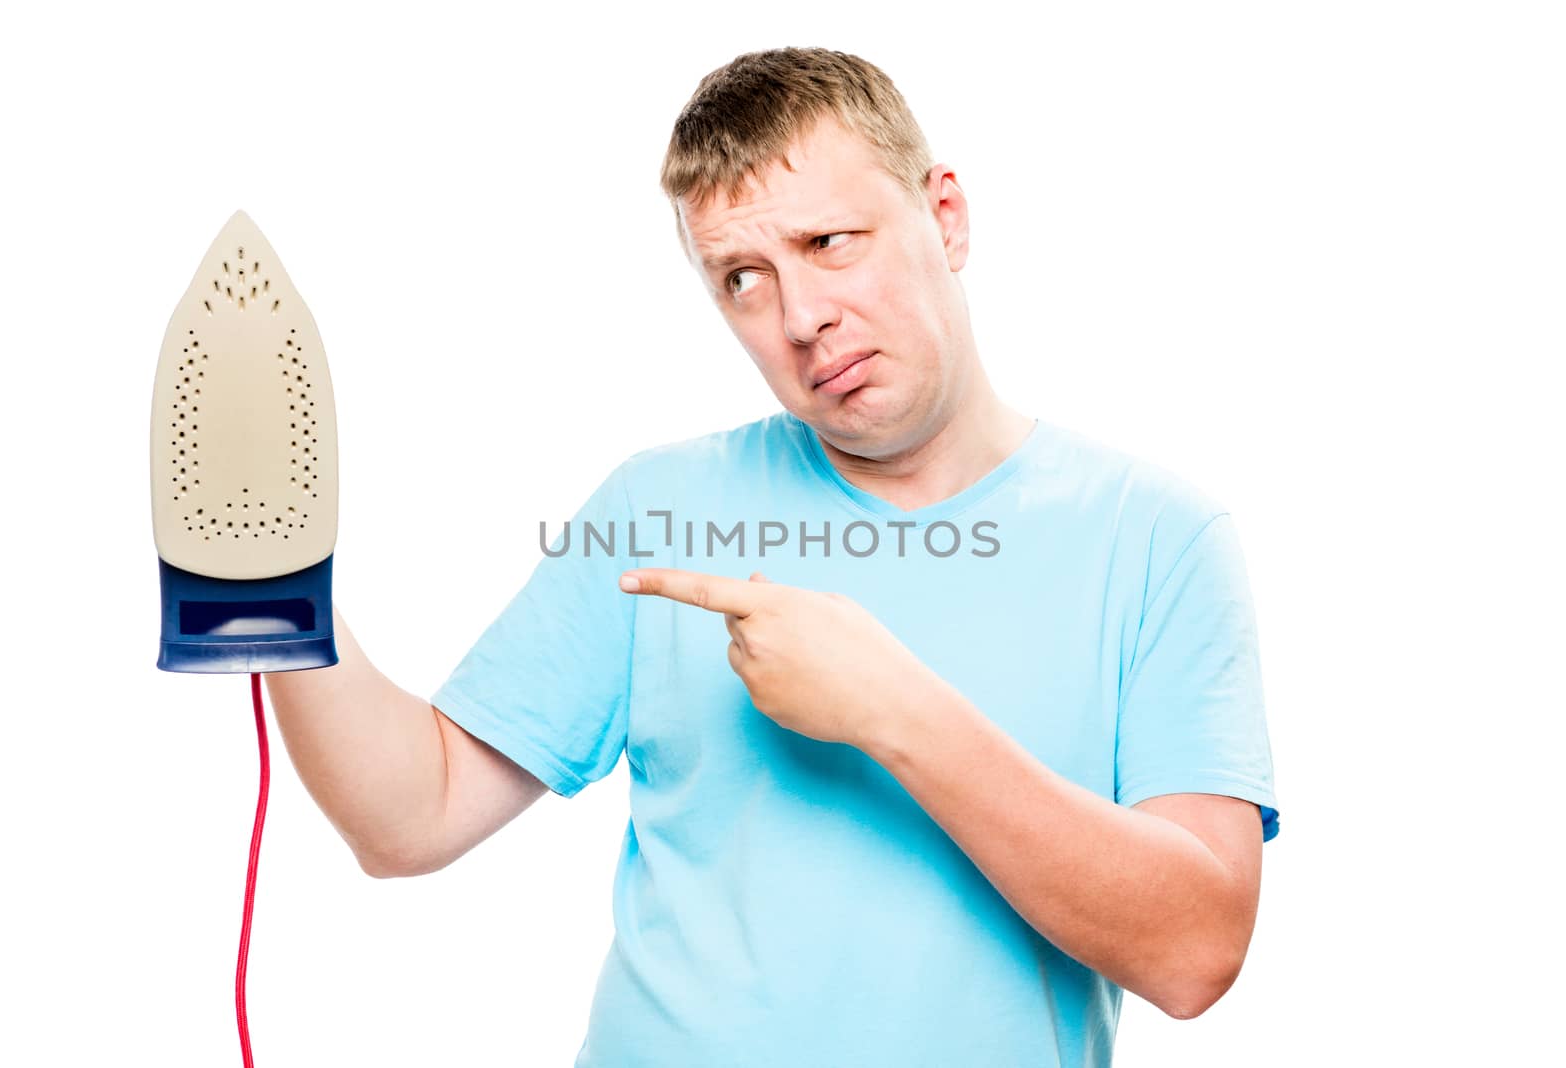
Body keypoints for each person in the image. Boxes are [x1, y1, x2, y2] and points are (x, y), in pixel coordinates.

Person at [267, 46, 1280, 1068]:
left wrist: (888, 706)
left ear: (946, 217)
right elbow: (412, 815)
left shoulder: (1156, 538)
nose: (799, 319)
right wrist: (276, 582)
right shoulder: (660, 508)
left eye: (828, 241)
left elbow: (1194, 950)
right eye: (743, 279)